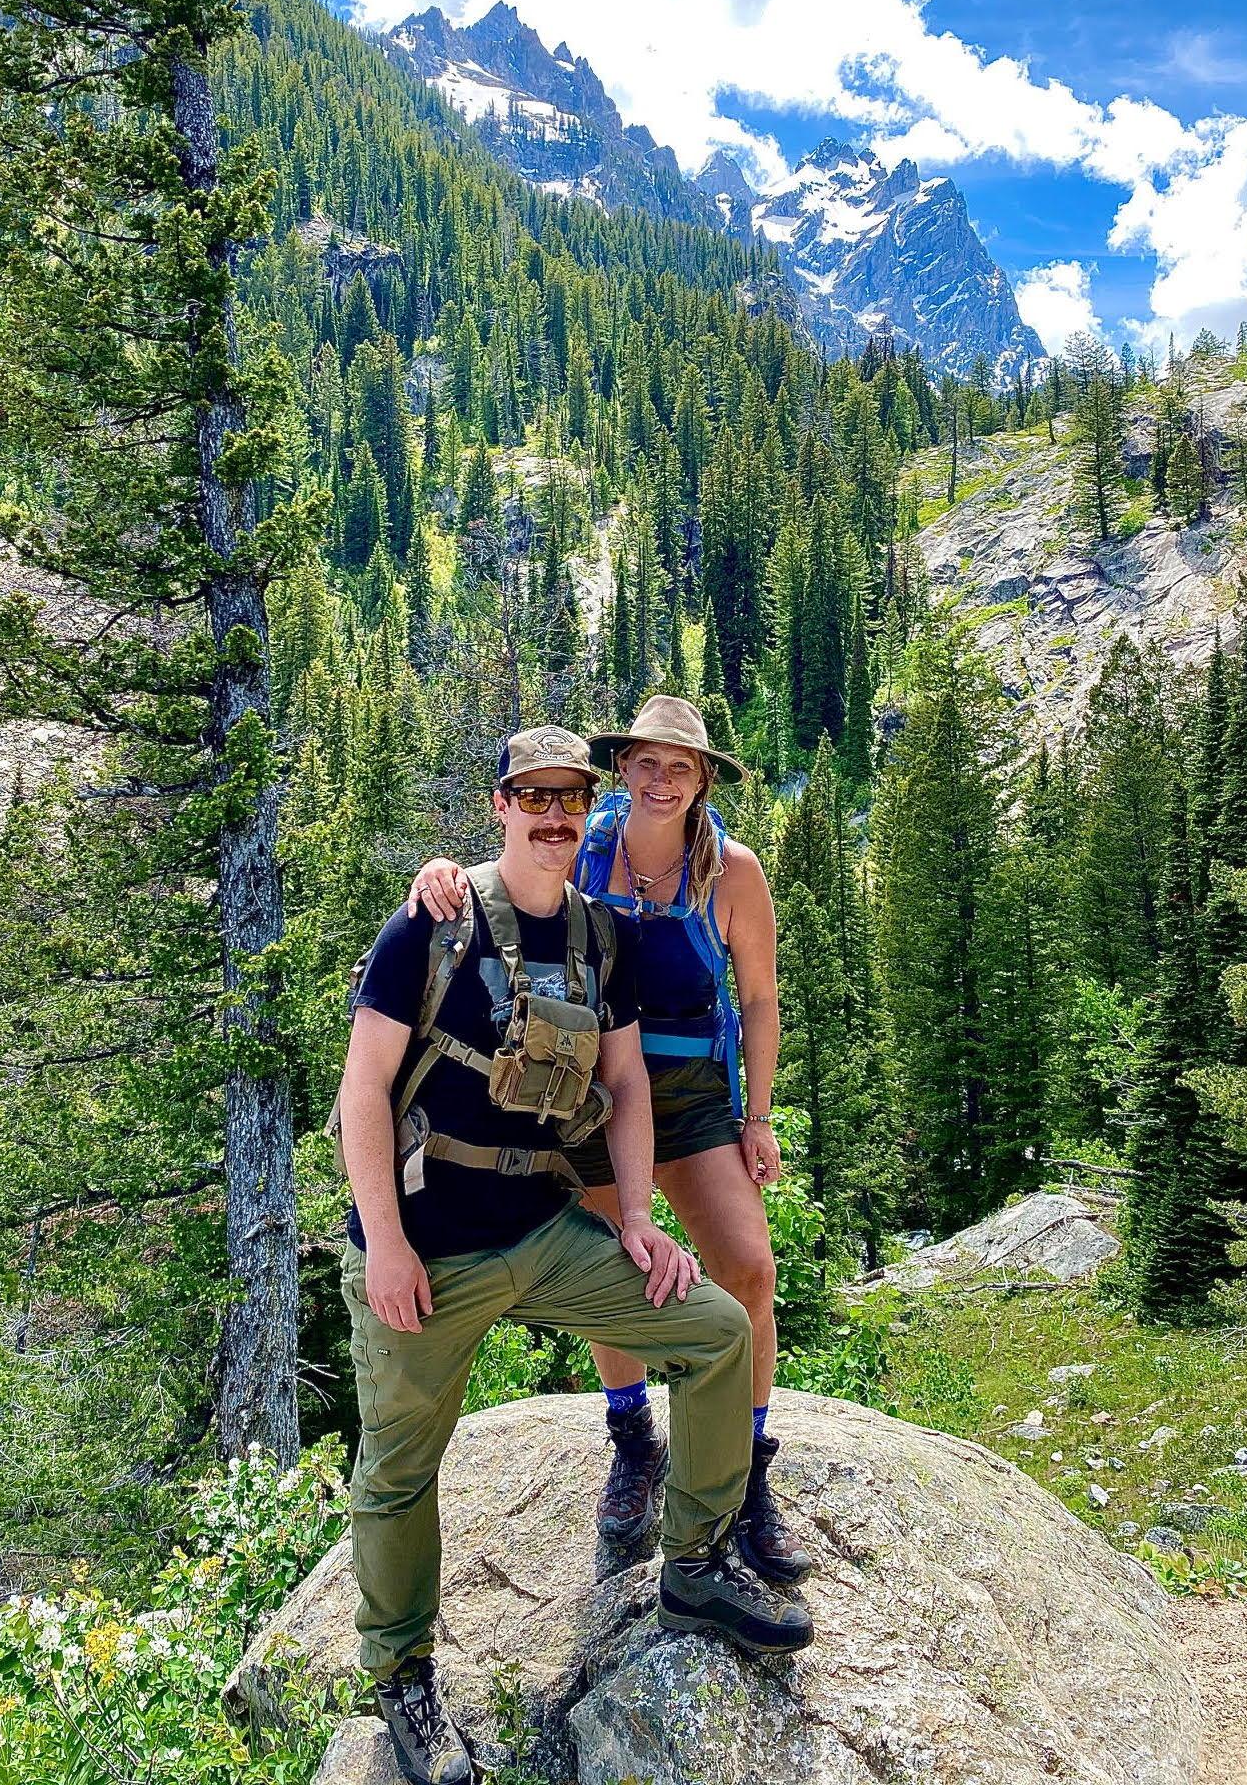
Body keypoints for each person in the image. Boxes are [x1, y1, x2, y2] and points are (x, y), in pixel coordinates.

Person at [339, 726, 812, 1785]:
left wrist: (635, 1220)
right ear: (501, 804)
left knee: (716, 1329)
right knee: (398, 1471)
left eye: (568, 798)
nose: (554, 816)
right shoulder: (432, 922)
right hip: (429, 1249)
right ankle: (403, 1676)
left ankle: (693, 1563)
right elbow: (360, 1091)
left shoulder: (603, 937)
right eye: (534, 797)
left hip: (542, 1228)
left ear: (585, 805)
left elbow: (629, 1083)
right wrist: (385, 1244)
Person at [405, 695, 812, 1588]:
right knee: (614, 1272)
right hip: (588, 1088)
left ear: (702, 781)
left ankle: (746, 1472)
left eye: (681, 766)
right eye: (646, 762)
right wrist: (441, 873)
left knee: (749, 1270)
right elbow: (511, 872)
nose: (662, 780)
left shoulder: (733, 872)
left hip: (694, 1097)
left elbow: (759, 999)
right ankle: (633, 1437)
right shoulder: (588, 844)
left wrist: (758, 1117)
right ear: (622, 768)